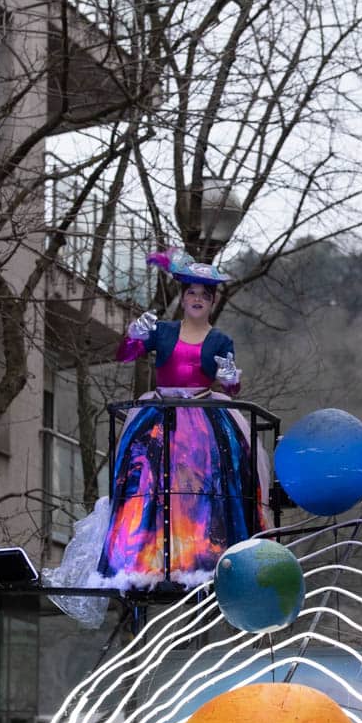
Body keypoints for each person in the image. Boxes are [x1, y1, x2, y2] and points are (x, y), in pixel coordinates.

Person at [95, 249, 269, 588]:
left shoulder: (220, 340)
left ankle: (202, 556)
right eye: (192, 293)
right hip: (160, 416)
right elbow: (124, 355)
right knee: (146, 480)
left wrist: (231, 379)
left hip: (204, 421)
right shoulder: (163, 331)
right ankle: (141, 557)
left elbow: (232, 388)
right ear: (184, 297)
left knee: (207, 485)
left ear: (213, 301)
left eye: (204, 294)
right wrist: (133, 336)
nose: (197, 299)